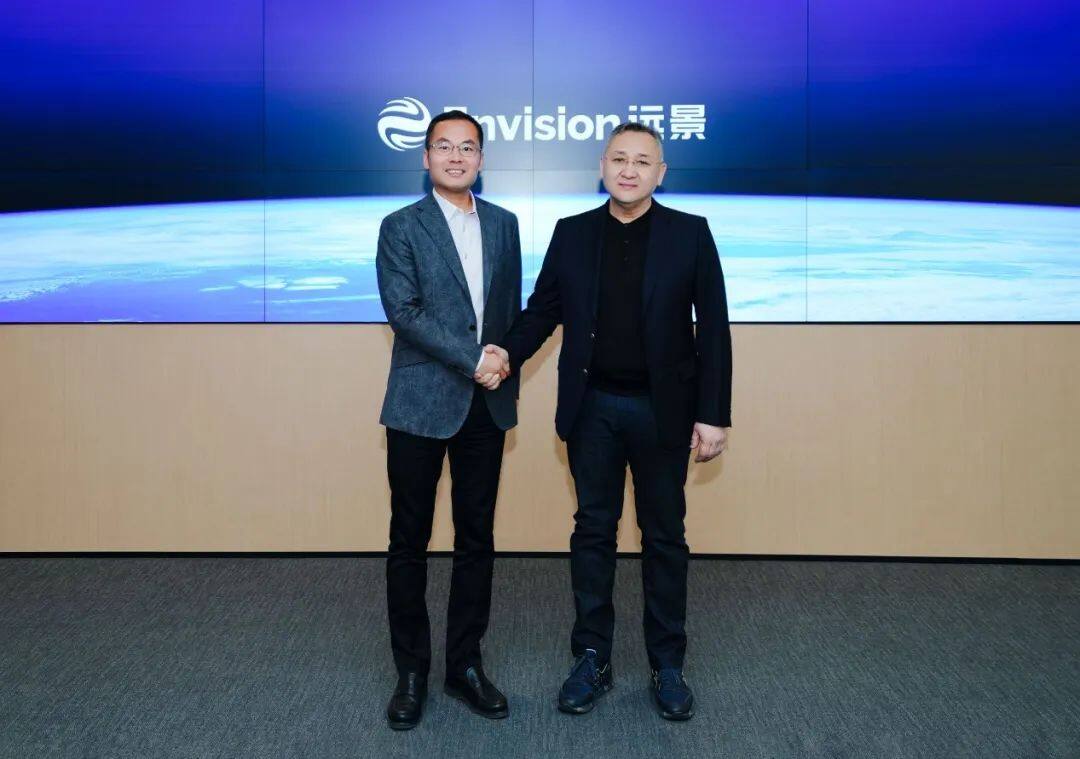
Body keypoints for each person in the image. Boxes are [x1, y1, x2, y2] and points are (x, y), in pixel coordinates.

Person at [494, 121, 732, 721]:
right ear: (602, 166)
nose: (629, 170)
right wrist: (504, 354)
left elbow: (715, 330)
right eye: (619, 159)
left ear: (660, 173)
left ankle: (667, 663)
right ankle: (592, 657)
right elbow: (542, 311)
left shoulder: (690, 233)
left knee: (664, 537)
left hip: (663, 411)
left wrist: (713, 414)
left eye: (642, 161)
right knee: (593, 533)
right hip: (592, 408)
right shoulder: (572, 233)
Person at [376, 110, 517, 730]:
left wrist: (503, 361)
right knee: (408, 540)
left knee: (476, 539)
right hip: (419, 403)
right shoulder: (400, 226)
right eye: (444, 146)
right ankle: (411, 671)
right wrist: (475, 360)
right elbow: (404, 312)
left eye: (467, 148)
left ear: (481, 159)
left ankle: (464, 665)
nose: (456, 157)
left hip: (486, 405)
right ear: (426, 157)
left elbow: (507, 312)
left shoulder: (505, 224)